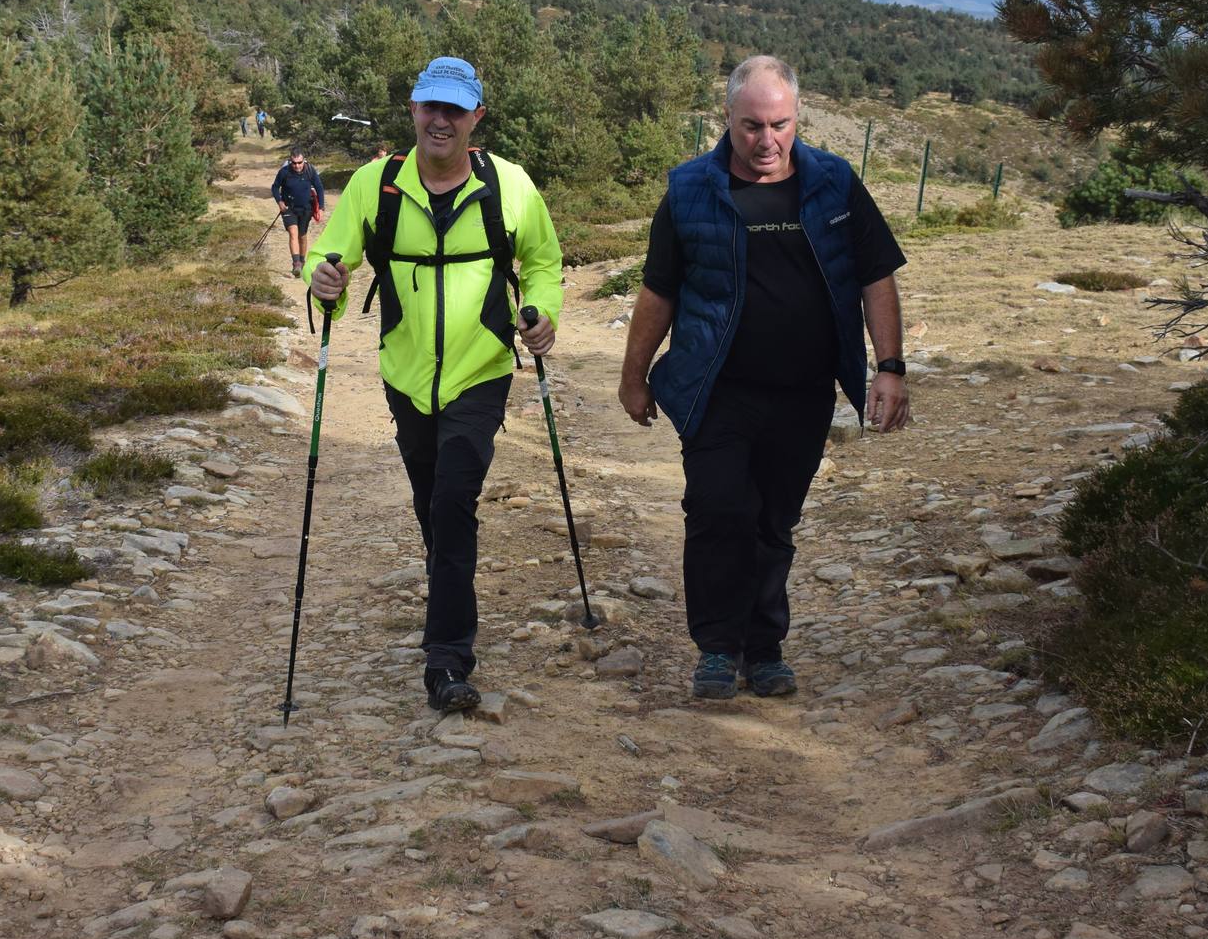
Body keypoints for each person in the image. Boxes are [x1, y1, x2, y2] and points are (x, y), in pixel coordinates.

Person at [617, 55, 910, 701]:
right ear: (727, 117)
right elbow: (659, 290)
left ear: (796, 115)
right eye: (751, 125)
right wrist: (633, 376)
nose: (766, 140)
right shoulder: (691, 188)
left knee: (774, 522)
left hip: (804, 392)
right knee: (719, 512)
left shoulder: (833, 181)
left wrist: (888, 367)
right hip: (717, 387)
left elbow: (875, 275)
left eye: (778, 123)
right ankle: (718, 649)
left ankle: (764, 647)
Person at [309, 57, 563, 712]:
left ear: (476, 117)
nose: (440, 120)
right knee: (431, 505)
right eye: (430, 107)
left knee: (453, 502)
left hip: (481, 371)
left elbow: (540, 263)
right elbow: (329, 255)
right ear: (414, 111)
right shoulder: (376, 185)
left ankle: (446, 657)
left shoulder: (509, 187)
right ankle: (446, 583)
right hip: (405, 373)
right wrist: (324, 281)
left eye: (455, 109)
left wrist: (542, 312)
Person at [271, 148, 326, 277]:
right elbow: (274, 187)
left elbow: (319, 188)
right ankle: (296, 264)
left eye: (299, 162)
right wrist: (279, 201)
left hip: (306, 208)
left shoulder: (310, 171)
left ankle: (302, 261)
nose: (297, 166)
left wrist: (321, 208)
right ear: (290, 161)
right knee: (293, 233)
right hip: (289, 208)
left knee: (302, 235)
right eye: (294, 163)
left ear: (304, 160)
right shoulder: (284, 172)